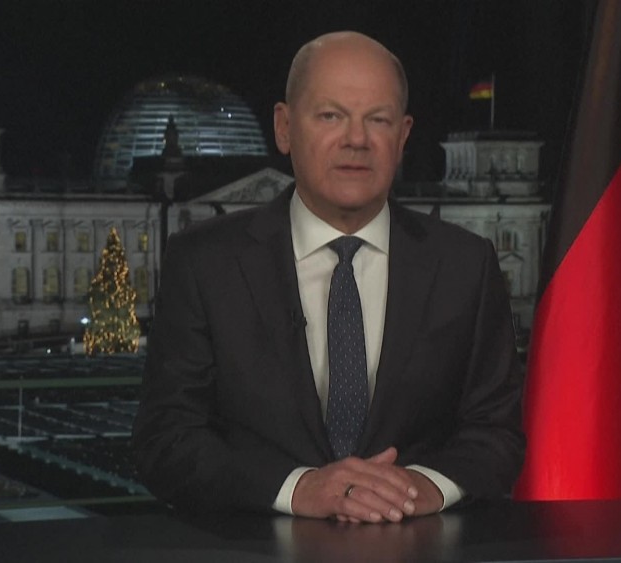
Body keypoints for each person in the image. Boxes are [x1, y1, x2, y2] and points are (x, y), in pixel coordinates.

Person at [132, 31, 524, 524]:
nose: (356, 139)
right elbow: (165, 439)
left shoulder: (466, 264)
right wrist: (299, 489)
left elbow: (497, 432)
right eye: (330, 116)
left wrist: (421, 488)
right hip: (256, 547)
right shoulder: (204, 262)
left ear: (403, 136)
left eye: (377, 119)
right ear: (284, 127)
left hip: (416, 545)